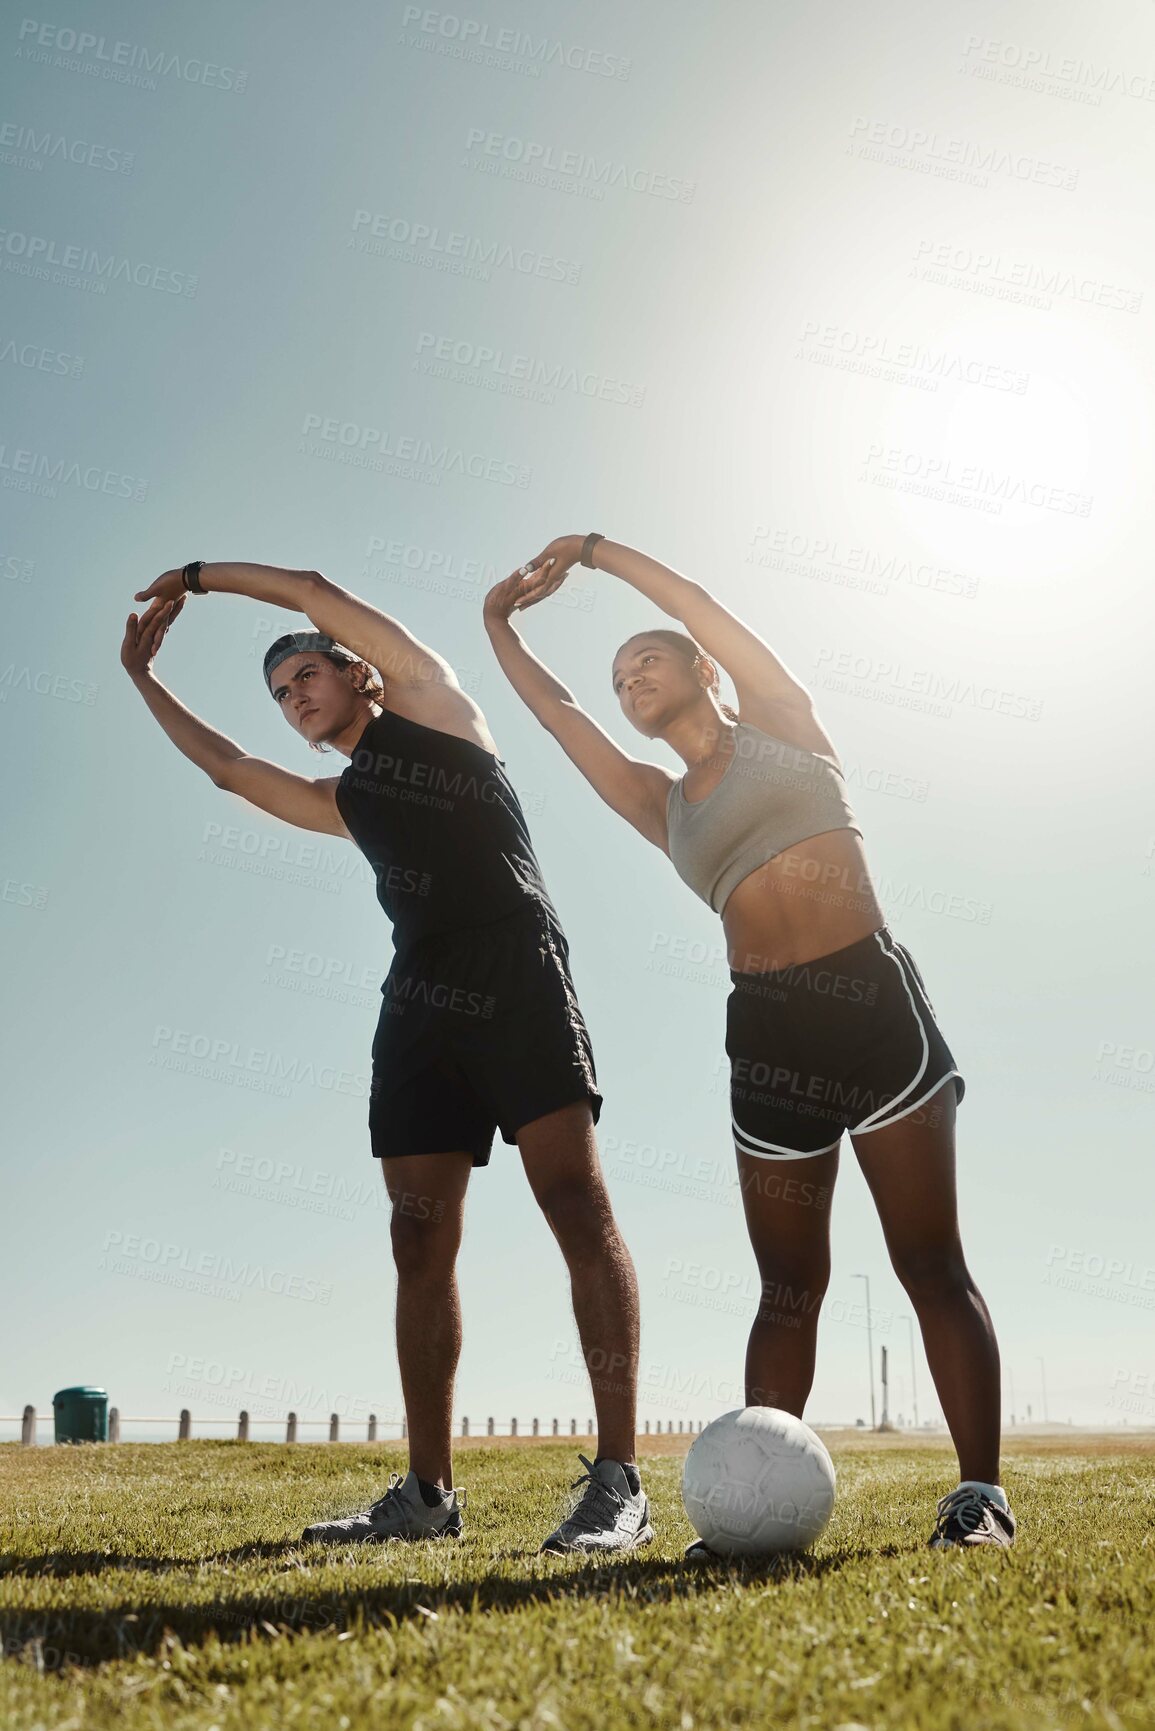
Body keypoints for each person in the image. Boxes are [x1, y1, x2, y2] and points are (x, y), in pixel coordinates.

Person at [483, 533, 1016, 1552]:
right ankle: (754, 1504)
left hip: (871, 1004)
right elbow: (557, 718)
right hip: (765, 1035)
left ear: (702, 670)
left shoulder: (784, 722)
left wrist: (594, 554)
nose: (630, 679)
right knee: (786, 1287)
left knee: (929, 1261)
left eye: (648, 660)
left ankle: (978, 1496)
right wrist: (497, 624)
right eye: (620, 676)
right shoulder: (659, 801)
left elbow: (695, 597)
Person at [121, 558, 654, 1555]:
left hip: (516, 969)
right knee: (416, 1239)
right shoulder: (348, 799)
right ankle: (427, 1496)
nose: (293, 698)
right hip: (418, 998)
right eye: (280, 694)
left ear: (357, 669)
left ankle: (620, 1482)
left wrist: (198, 579)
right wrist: (143, 680)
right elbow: (231, 771)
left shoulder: (434, 704)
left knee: (574, 1205)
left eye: (306, 676)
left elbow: (315, 588)